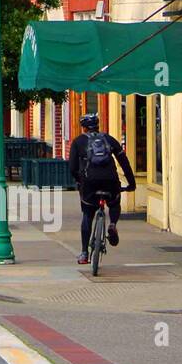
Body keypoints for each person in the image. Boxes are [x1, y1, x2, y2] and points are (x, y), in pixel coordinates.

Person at [68, 112, 136, 265]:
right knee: (114, 201)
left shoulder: (78, 142)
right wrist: (132, 183)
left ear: (83, 128)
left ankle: (84, 253)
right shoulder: (109, 139)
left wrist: (80, 181)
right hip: (110, 180)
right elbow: (124, 161)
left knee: (87, 214)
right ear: (98, 126)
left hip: (89, 182)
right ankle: (112, 224)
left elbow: (72, 167)